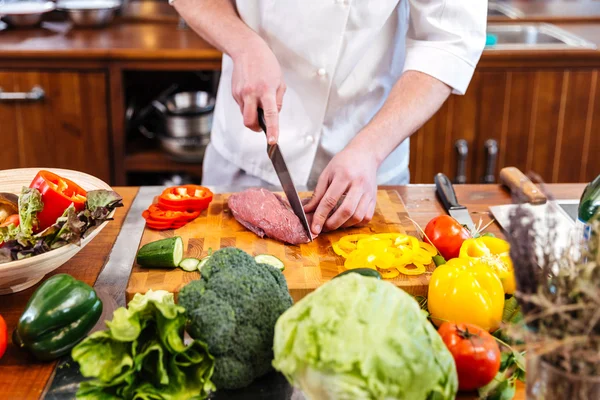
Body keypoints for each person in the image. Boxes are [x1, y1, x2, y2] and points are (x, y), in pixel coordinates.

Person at [173, 0, 486, 236]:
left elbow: (449, 38)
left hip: (369, 168)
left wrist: (370, 148)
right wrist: (244, 45)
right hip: (245, 157)